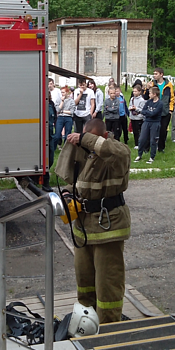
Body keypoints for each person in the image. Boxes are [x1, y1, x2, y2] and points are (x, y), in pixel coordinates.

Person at [55, 118, 131, 324]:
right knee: (85, 282)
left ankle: (108, 327)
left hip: (108, 228)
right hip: (84, 229)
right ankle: (86, 322)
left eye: (91, 140)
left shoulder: (117, 152)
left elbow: (120, 153)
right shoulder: (86, 154)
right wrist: (68, 193)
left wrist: (86, 139)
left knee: (108, 284)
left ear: (104, 136)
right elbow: (83, 182)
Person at [143, 68, 174, 153]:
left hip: (165, 111)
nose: (154, 75)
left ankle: (161, 148)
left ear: (161, 74)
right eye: (154, 74)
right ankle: (146, 148)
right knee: (150, 129)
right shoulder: (152, 84)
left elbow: (172, 98)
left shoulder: (168, 85)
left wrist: (170, 110)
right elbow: (145, 97)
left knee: (163, 130)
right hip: (153, 110)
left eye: (156, 74)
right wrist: (147, 88)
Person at [135, 86, 163, 164]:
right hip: (146, 122)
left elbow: (153, 113)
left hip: (155, 123)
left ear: (155, 94)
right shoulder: (148, 102)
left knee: (153, 141)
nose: (149, 94)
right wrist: (148, 113)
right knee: (141, 139)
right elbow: (143, 111)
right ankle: (139, 155)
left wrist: (147, 113)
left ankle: (152, 157)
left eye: (150, 93)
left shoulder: (160, 104)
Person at [54, 86, 76, 151]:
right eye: (61, 92)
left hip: (68, 118)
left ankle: (66, 149)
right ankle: (54, 148)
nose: (62, 94)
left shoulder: (71, 101)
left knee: (67, 134)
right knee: (57, 135)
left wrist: (63, 111)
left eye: (63, 92)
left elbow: (71, 112)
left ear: (67, 92)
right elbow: (58, 110)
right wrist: (62, 101)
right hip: (60, 117)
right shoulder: (59, 100)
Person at [129, 85, 145, 150]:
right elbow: (129, 105)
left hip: (139, 118)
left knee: (139, 131)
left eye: (135, 91)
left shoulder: (142, 100)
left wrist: (136, 108)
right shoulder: (132, 99)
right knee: (135, 131)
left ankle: (140, 143)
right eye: (133, 91)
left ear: (139, 92)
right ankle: (136, 144)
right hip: (133, 117)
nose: (134, 93)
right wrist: (131, 108)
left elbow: (142, 109)